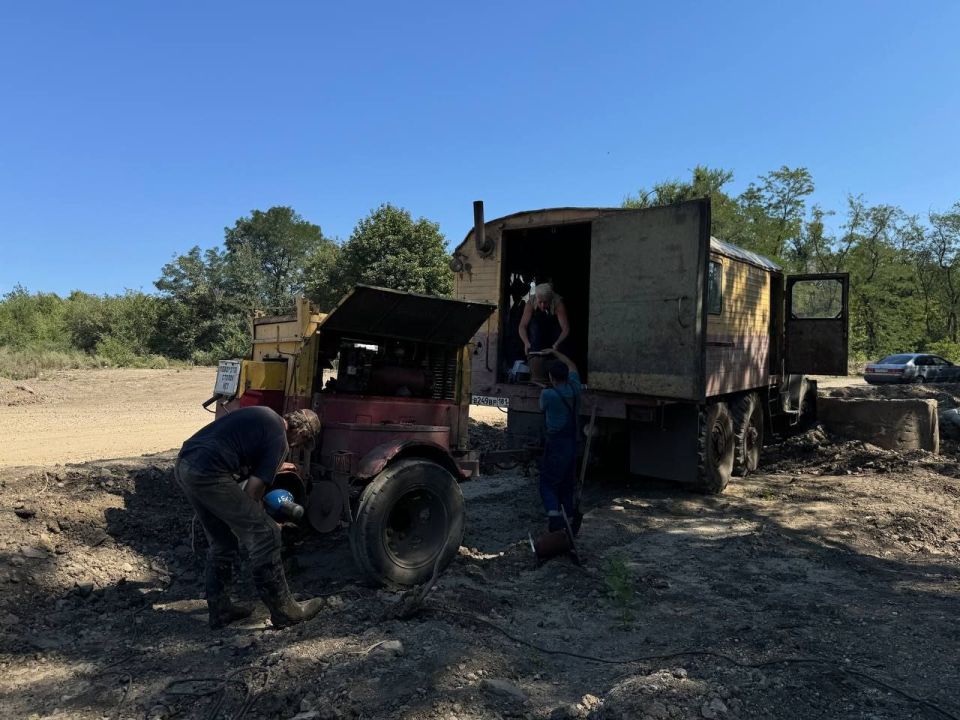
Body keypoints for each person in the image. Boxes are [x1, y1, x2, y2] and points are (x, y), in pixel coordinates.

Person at [174, 405, 323, 629]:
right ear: (301, 433)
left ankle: (221, 610)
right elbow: (252, 491)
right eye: (301, 443)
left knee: (222, 541)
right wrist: (263, 519)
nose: (296, 446)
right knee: (267, 534)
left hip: (185, 465)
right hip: (209, 472)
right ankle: (285, 612)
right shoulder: (279, 440)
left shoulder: (263, 415)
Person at [537, 348, 582, 533]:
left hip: (556, 443)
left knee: (547, 483)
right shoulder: (575, 387)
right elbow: (572, 366)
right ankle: (569, 517)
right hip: (573, 441)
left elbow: (542, 408)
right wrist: (555, 351)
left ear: (550, 376)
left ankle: (555, 518)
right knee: (566, 483)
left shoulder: (548, 395)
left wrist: (545, 389)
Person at [519, 282, 570, 356]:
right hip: (537, 334)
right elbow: (522, 326)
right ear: (536, 299)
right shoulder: (531, 302)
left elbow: (566, 328)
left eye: (545, 302)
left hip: (553, 333)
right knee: (533, 325)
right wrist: (526, 342)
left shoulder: (558, 303)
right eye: (540, 302)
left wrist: (557, 343)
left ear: (550, 299)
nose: (542, 306)